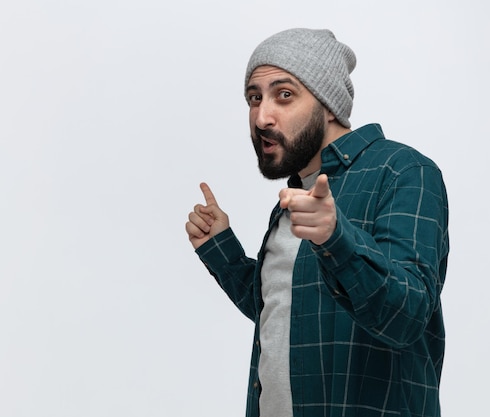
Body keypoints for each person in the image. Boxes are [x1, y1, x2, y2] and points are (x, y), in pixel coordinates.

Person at [185, 28, 449, 417]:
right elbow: (287, 310)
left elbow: (405, 317)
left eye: (284, 95)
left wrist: (336, 239)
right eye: (254, 98)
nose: (261, 116)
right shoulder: (294, 199)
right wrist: (222, 251)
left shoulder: (403, 171)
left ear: (328, 104)